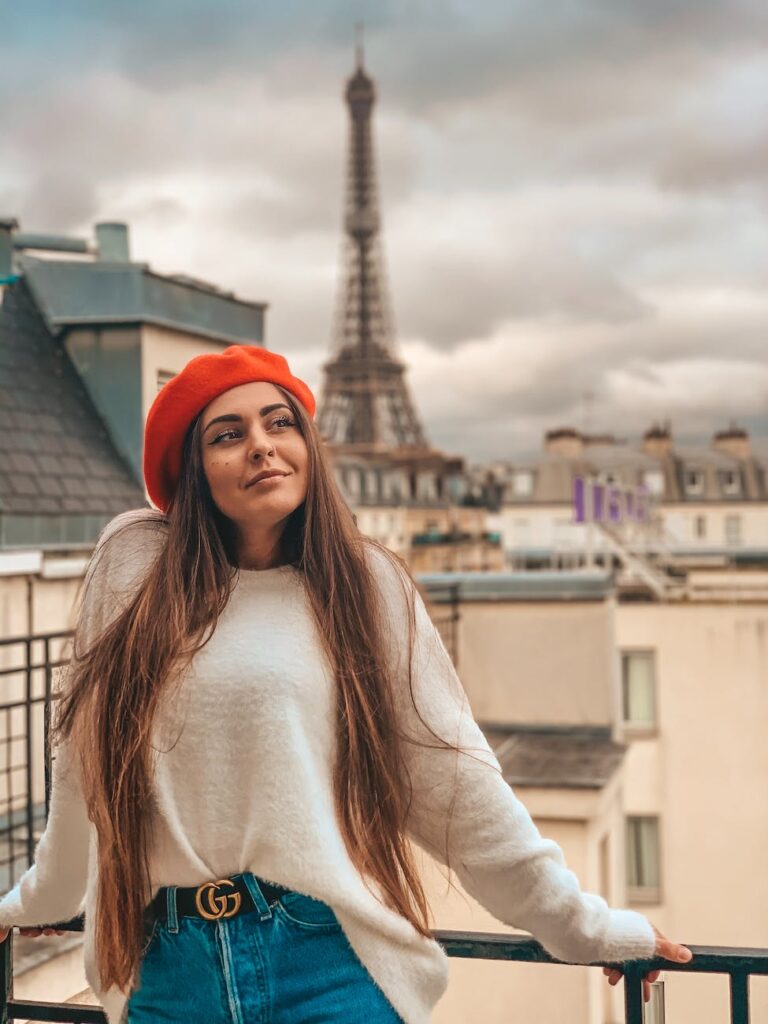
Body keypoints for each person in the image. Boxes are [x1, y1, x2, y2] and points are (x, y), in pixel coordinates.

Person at [0, 345, 691, 1022]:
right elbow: (83, 758)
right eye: (227, 434)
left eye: (279, 422)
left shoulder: (365, 584)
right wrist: (42, 897)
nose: (262, 446)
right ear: (193, 471)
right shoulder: (133, 562)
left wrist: (583, 925)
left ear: (308, 443)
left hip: (324, 965)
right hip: (168, 970)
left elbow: (453, 782)